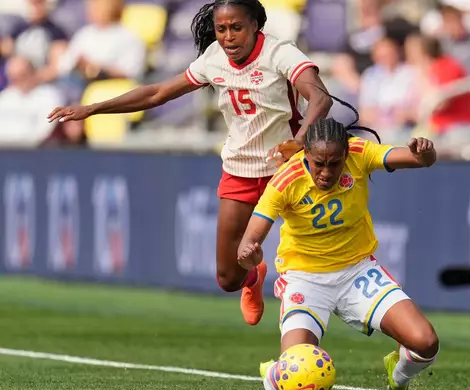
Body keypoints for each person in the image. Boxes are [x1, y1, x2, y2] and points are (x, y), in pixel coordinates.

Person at [47, 0, 333, 326]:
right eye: (221, 29)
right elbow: (157, 93)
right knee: (228, 277)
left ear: (255, 25)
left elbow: (320, 98)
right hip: (241, 170)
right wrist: (93, 108)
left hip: (288, 170)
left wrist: (299, 142)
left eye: (236, 27)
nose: (227, 37)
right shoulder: (214, 59)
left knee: (320, 258)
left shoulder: (281, 53)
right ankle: (253, 277)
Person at [237, 95, 439, 390]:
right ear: (305, 154)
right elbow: (248, 243)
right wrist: (249, 256)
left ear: (346, 153)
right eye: (319, 163)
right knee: (298, 370)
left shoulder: (360, 153)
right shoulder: (285, 180)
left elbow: (422, 161)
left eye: (334, 164)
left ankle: (398, 378)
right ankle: (275, 374)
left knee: (426, 343)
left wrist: (425, 151)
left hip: (356, 273)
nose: (326, 172)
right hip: (305, 279)